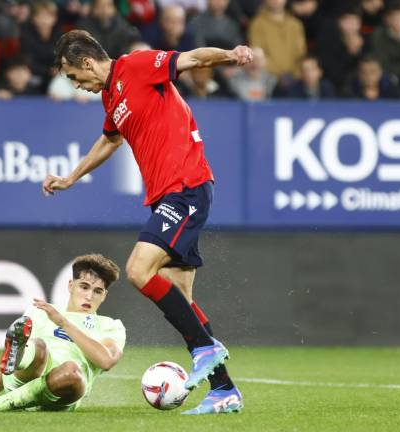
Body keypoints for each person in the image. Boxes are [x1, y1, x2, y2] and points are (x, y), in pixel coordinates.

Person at [41, 29, 250, 414]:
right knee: (181, 297)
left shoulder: (137, 66)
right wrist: (72, 177)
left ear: (87, 63)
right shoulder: (111, 96)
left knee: (139, 269)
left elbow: (192, 58)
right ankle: (224, 390)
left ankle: (205, 348)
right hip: (167, 196)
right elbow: (110, 140)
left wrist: (230, 54)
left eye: (73, 77)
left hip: (186, 186)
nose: (76, 85)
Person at [0, 253, 125, 412]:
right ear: (71, 286)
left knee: (72, 371)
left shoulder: (110, 326)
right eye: (84, 287)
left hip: (62, 391)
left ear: (104, 296)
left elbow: (106, 361)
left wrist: (63, 322)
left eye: (98, 291)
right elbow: (6, 365)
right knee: (38, 347)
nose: (89, 296)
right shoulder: (42, 311)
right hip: (25, 377)